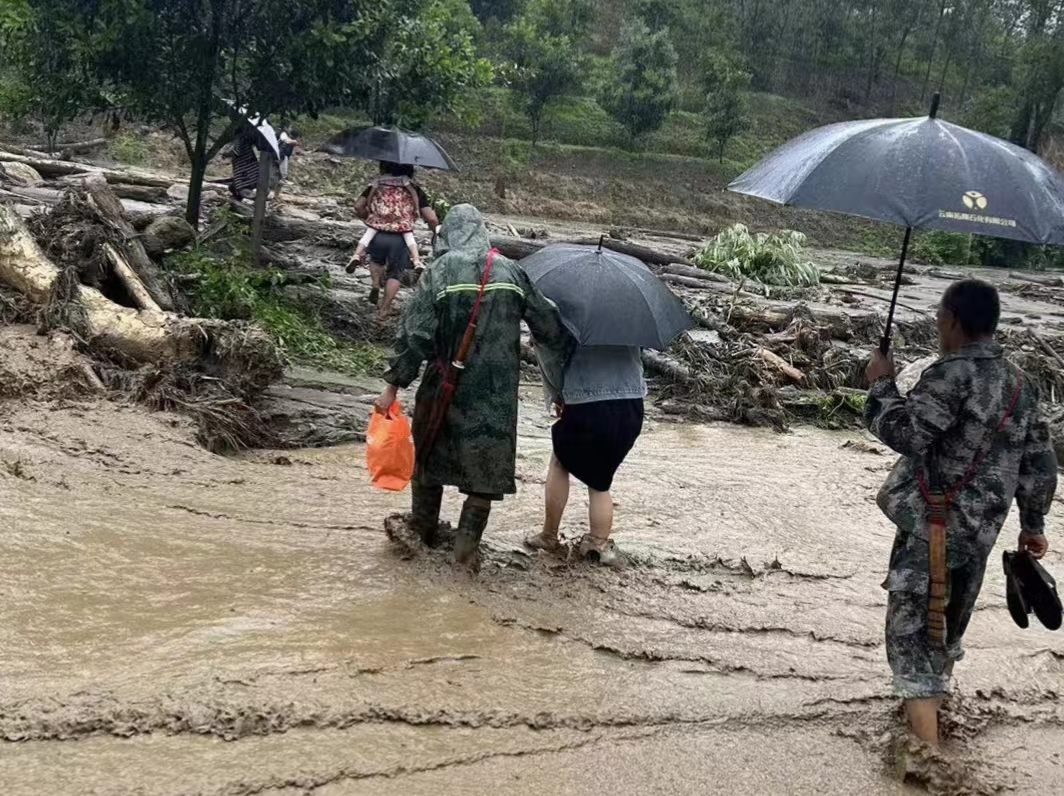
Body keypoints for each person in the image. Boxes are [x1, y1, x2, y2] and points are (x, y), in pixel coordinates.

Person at [865, 279, 1057, 748]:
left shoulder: (950, 375)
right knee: (945, 630)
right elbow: (1040, 462)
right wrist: (1033, 525)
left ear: (950, 319)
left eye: (939, 317)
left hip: (930, 530)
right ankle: (934, 725)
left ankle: (928, 760)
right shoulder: (1021, 383)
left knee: (911, 643)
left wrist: (881, 383)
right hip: (980, 535)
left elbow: (906, 435)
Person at [373, 204, 571, 567]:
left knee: (428, 460)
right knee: (486, 473)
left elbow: (415, 334)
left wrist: (392, 386)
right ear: (481, 232)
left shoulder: (440, 271)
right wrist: (565, 373)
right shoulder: (511, 271)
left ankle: (422, 535)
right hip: (497, 394)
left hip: (443, 387)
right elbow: (549, 325)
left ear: (448, 234)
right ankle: (465, 553)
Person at [525, 345, 647, 566]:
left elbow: (551, 355)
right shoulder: (632, 323)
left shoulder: (576, 322)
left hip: (586, 399)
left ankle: (549, 535)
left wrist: (557, 394)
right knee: (600, 479)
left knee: (560, 461)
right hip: (631, 404)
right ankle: (598, 544)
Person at [349, 162, 439, 320]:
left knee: (376, 262)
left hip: (377, 234)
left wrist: (369, 217)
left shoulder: (378, 183)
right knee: (395, 274)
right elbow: (431, 218)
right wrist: (435, 232)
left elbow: (358, 206)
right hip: (401, 236)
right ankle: (384, 310)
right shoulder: (413, 187)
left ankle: (375, 284)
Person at [228, 126, 261, 201]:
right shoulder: (246, 139)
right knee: (251, 182)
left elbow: (236, 152)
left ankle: (247, 197)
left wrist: (227, 154)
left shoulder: (239, 139)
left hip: (243, 168)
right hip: (251, 166)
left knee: (242, 185)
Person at [271, 128, 302, 201]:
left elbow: (291, 151)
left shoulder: (291, 141)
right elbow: (286, 142)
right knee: (280, 176)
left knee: (281, 177)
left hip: (282, 157)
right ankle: (271, 194)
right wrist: (294, 142)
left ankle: (276, 195)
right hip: (278, 157)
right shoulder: (284, 135)